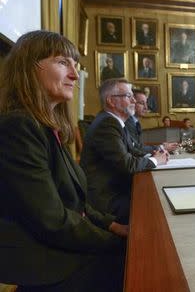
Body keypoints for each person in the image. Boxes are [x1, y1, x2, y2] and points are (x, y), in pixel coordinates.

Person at [0, 30, 127, 291]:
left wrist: (112, 225)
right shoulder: (19, 126)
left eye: (75, 65)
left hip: (61, 246)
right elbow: (52, 220)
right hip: (45, 262)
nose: (74, 74)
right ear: (29, 67)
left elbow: (74, 201)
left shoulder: (46, 126)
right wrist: (118, 242)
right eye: (62, 62)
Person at [80, 78, 169, 224]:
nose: (134, 100)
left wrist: (153, 153)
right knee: (155, 206)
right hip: (107, 199)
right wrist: (155, 160)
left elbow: (133, 150)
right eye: (128, 96)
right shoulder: (107, 124)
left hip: (116, 189)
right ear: (111, 101)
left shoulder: (115, 121)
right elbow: (127, 164)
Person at [125, 89, 178, 154]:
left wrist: (162, 145)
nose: (146, 107)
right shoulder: (127, 122)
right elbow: (136, 148)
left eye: (146, 103)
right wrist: (161, 147)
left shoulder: (136, 122)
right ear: (131, 103)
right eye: (142, 103)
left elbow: (141, 144)